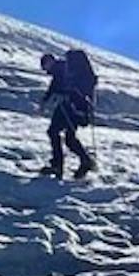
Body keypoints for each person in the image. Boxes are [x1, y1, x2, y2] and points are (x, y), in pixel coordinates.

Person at [38, 50, 96, 180]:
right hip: (77, 108)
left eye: (45, 65)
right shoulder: (65, 68)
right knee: (68, 138)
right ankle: (85, 161)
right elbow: (54, 88)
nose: (45, 68)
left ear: (49, 62)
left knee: (53, 132)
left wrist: (45, 101)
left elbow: (55, 88)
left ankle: (58, 165)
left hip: (69, 106)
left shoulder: (61, 69)